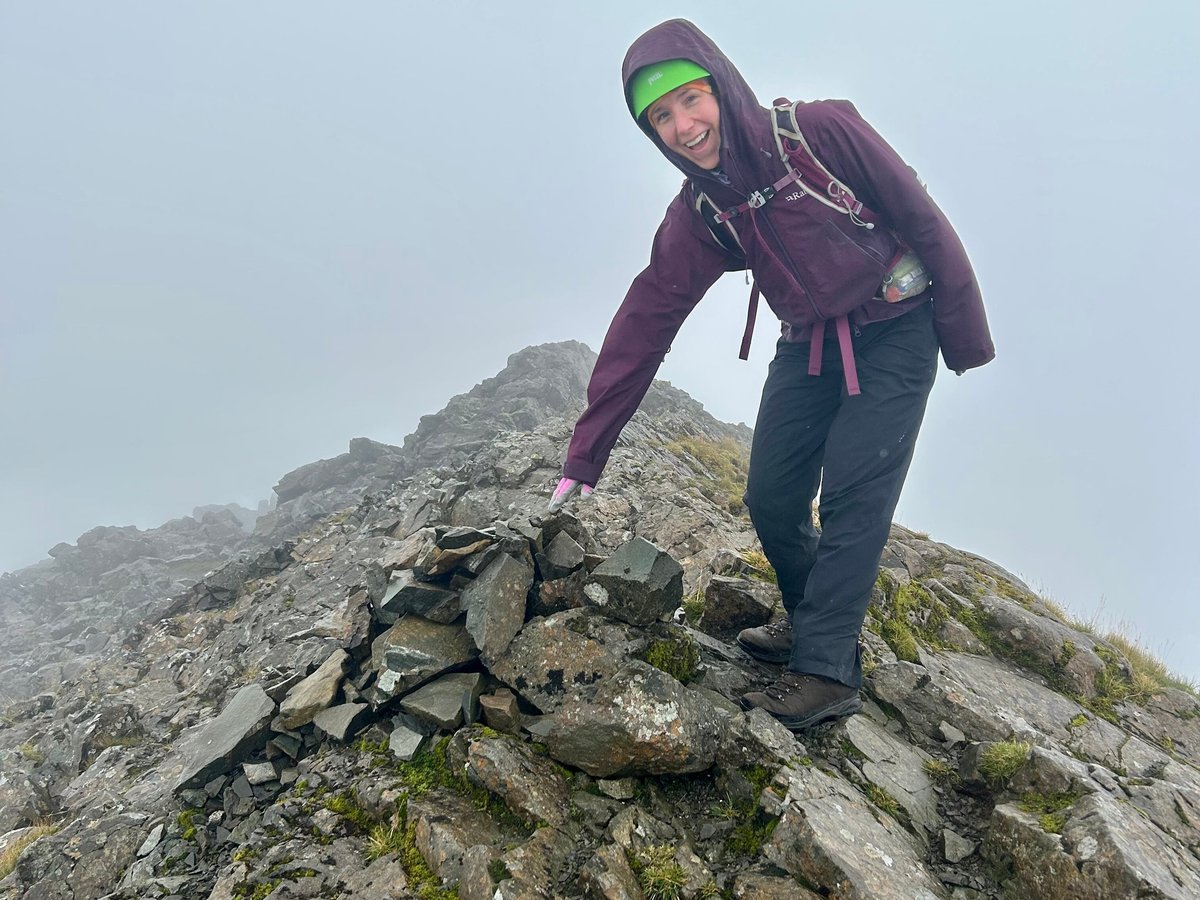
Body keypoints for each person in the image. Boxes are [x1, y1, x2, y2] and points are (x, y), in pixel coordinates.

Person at [548, 19, 994, 731]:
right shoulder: (702, 209)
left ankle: (825, 672)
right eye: (661, 118)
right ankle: (812, 617)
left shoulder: (818, 131)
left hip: (897, 328)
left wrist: (964, 338)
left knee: (853, 494)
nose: (683, 126)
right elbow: (648, 315)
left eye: (690, 101)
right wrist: (587, 451)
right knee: (771, 494)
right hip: (809, 343)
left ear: (720, 86)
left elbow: (924, 219)